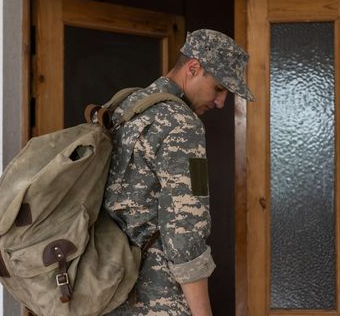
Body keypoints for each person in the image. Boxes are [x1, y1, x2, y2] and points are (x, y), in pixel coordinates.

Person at [104, 29, 254, 315]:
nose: (221, 102)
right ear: (193, 68)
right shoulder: (181, 124)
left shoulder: (126, 108)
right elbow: (185, 229)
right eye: (219, 88)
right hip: (156, 296)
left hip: (107, 289)